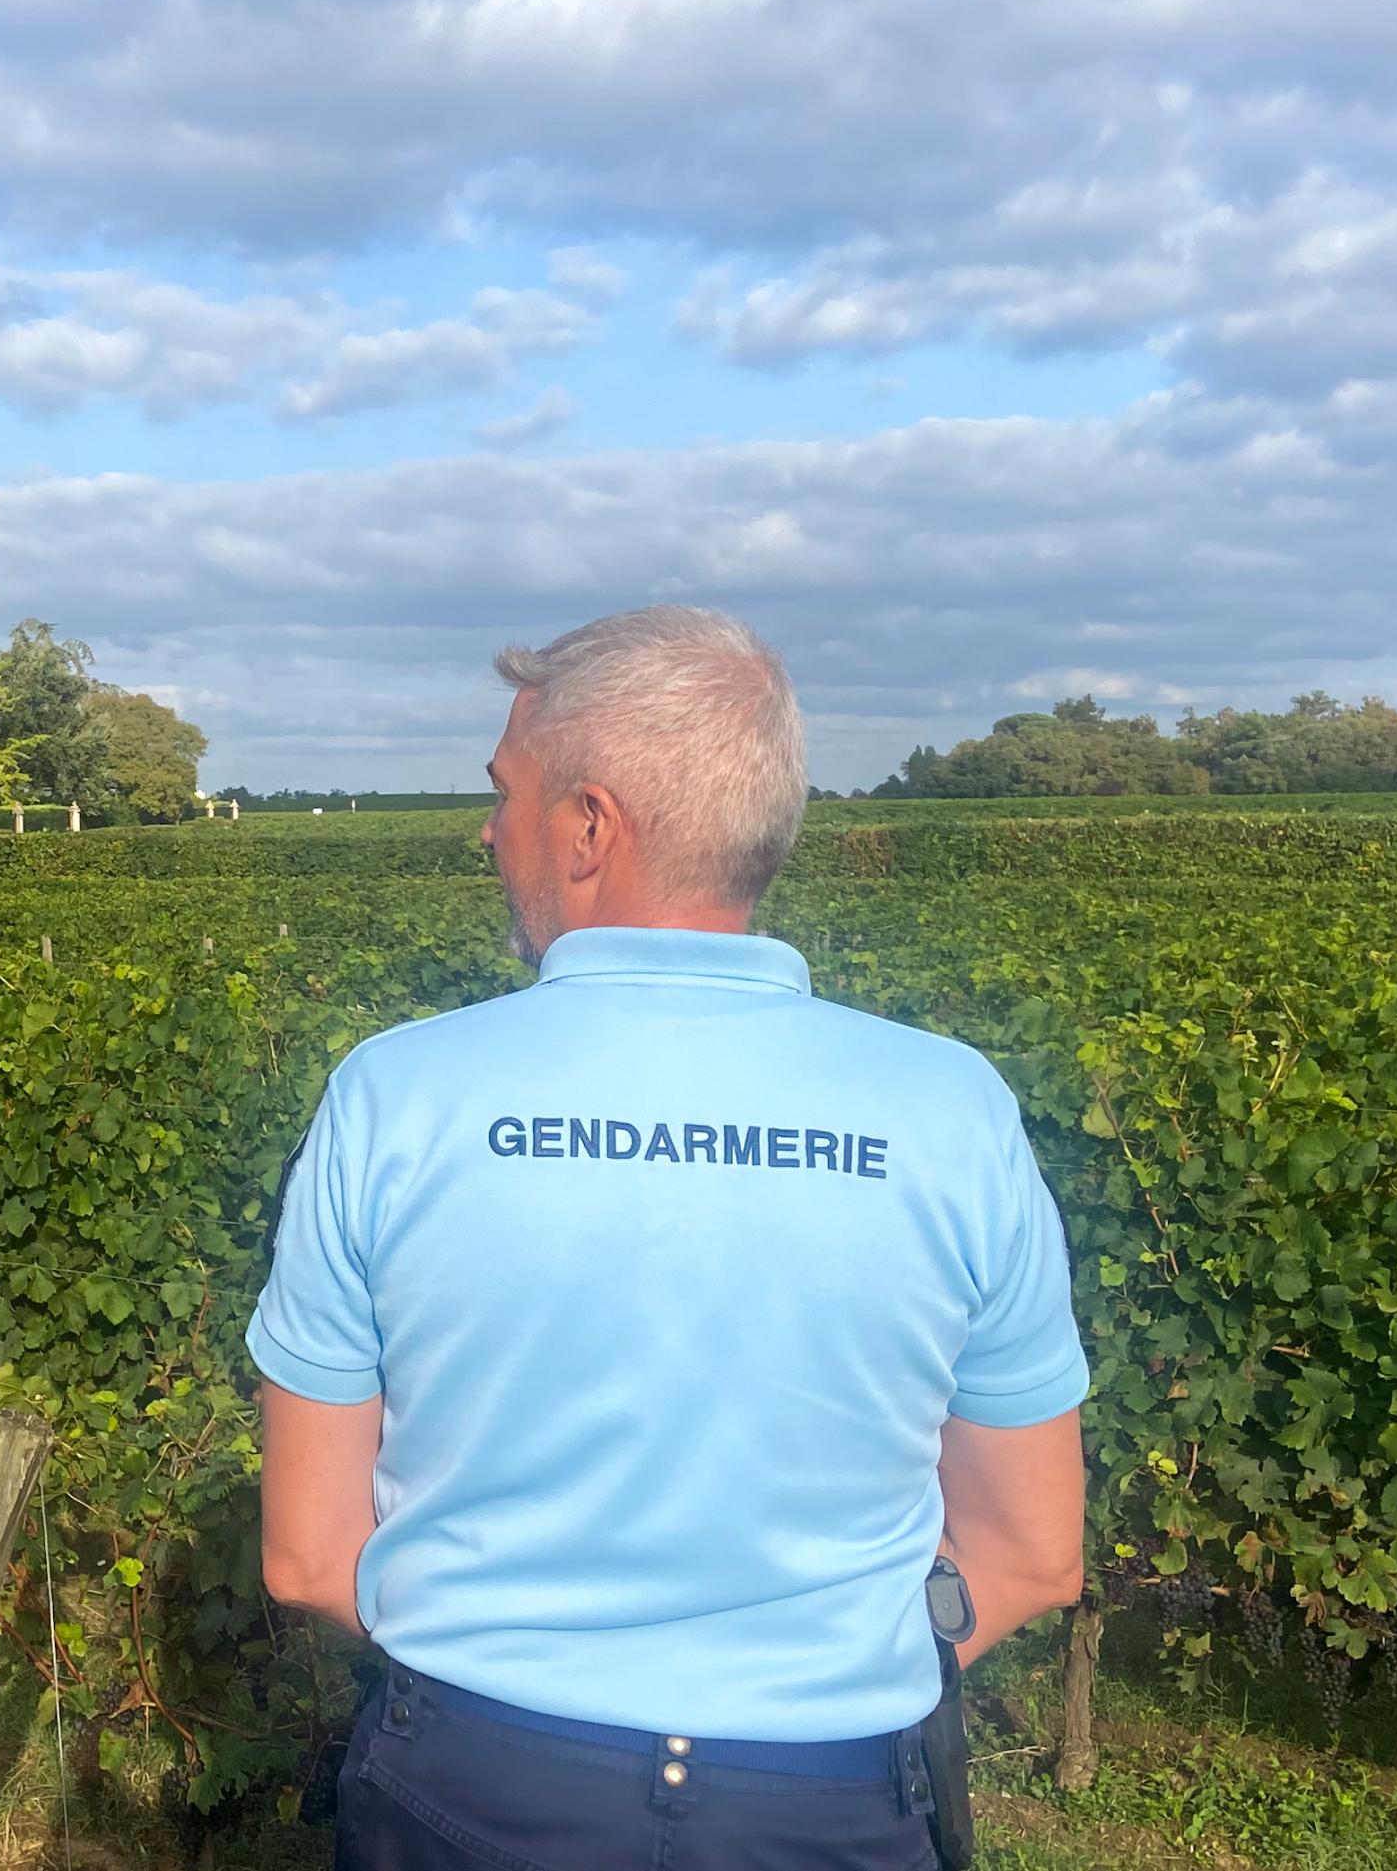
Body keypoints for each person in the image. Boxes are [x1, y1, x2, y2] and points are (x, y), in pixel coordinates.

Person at [247, 606, 1089, 1870]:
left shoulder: (394, 1094)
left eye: (508, 793)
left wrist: (515, 1659)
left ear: (589, 826)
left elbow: (311, 1557)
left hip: (472, 1789)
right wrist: (818, 1670)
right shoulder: (951, 1108)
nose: (490, 831)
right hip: (836, 1804)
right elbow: (1032, 1552)